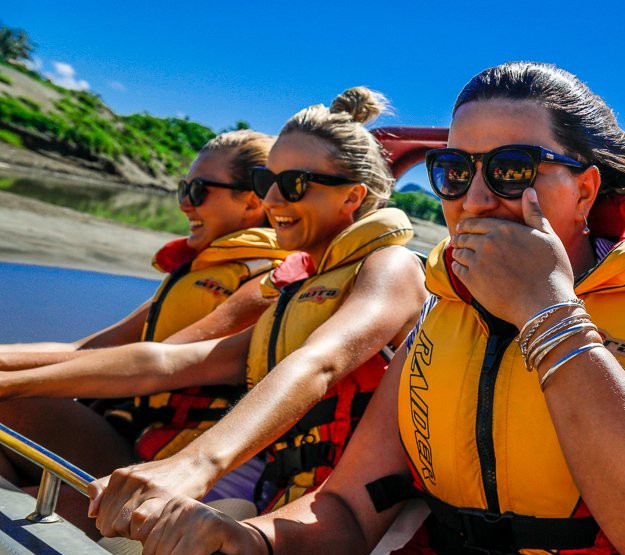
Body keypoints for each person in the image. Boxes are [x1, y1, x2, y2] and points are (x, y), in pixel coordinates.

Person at [120, 62, 625, 555]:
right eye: (456, 170)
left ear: (585, 187)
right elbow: (347, 508)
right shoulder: (445, 308)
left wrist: (547, 312)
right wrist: (255, 544)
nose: (477, 197)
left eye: (514, 168)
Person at [0, 87, 427, 523]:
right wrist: (15, 381)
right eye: (266, 182)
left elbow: (321, 361)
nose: (272, 200)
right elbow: (171, 361)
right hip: (277, 492)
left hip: (338, 518)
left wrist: (195, 464)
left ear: (352, 198)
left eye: (293, 185)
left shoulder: (391, 267)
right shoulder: (296, 289)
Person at [0, 129, 288, 482]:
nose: (184, 203)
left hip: (154, 462)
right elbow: (82, 349)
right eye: (184, 189)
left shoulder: (269, 284)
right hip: (121, 428)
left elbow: (156, 363)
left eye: (198, 191)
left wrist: (12, 379)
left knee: (8, 402)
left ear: (251, 202)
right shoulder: (200, 273)